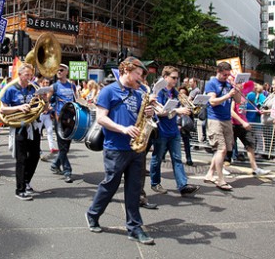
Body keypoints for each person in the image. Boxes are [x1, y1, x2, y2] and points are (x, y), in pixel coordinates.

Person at [85, 57, 154, 245]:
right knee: (110, 185)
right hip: (115, 147)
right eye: (137, 74)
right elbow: (101, 118)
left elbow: (140, 116)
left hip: (136, 147)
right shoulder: (108, 91)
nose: (140, 78)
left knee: (134, 188)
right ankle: (93, 214)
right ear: (125, 70)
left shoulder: (139, 93)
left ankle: (134, 227)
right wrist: (123, 129)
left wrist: (149, 113)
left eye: (141, 75)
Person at [149, 66, 200, 197]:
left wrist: (188, 107)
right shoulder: (158, 91)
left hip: (173, 131)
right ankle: (155, 183)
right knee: (158, 158)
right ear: (165, 77)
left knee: (177, 158)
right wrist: (178, 111)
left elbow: (178, 108)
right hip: (161, 130)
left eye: (177, 78)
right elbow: (159, 112)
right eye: (173, 77)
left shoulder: (175, 92)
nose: (176, 80)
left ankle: (183, 185)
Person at [0, 63, 44, 201]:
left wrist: (45, 100)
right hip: (19, 127)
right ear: (19, 75)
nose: (29, 77)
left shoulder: (34, 89)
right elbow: (2, 110)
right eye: (27, 75)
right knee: (22, 159)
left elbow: (42, 107)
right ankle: (20, 190)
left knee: (35, 155)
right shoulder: (11, 90)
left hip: (33, 126)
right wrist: (19, 108)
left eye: (31, 75)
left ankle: (26, 181)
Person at [203, 62, 241, 191]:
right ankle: (220, 179)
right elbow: (212, 101)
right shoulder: (211, 83)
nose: (226, 77)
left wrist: (236, 89)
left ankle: (209, 174)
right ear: (218, 72)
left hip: (226, 120)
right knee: (221, 149)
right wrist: (227, 95)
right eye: (224, 75)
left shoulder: (229, 84)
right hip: (215, 119)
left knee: (224, 150)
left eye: (228, 74)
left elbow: (239, 100)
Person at [226, 82, 270, 176]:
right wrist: (243, 122)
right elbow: (231, 112)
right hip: (234, 124)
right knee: (228, 147)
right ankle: (222, 166)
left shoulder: (244, 97)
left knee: (250, 145)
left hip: (243, 125)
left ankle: (255, 168)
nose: (243, 86)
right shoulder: (234, 97)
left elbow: (242, 111)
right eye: (240, 84)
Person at [50, 63, 77, 183]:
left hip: (70, 120)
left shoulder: (72, 86)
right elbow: (47, 99)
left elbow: (77, 99)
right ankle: (67, 171)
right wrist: (50, 108)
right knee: (62, 146)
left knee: (66, 147)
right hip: (59, 119)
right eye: (57, 70)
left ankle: (55, 165)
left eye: (61, 70)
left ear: (67, 72)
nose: (59, 72)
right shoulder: (54, 86)